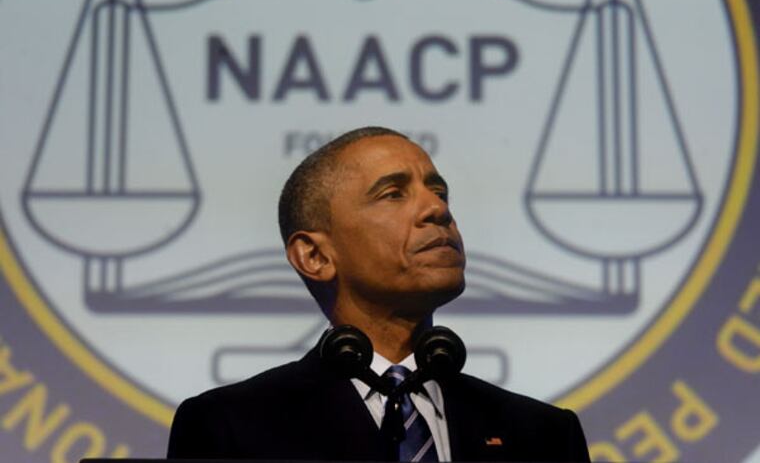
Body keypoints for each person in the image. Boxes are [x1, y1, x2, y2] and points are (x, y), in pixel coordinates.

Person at [167, 127, 591, 462]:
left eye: (439, 192)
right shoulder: (231, 427)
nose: (437, 210)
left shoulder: (545, 435)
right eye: (393, 194)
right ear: (315, 255)